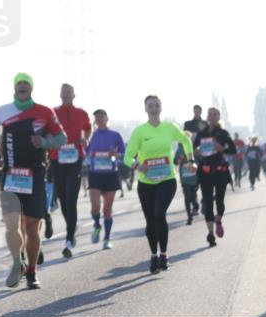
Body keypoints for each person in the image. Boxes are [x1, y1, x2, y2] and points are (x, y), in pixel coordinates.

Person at [0, 74, 66, 289]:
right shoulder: (3, 111)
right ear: (14, 88)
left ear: (31, 88)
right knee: (12, 224)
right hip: (11, 175)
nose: (22, 87)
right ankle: (17, 262)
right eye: (19, 84)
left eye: (26, 84)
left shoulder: (44, 112)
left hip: (36, 176)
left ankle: (32, 271)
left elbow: (62, 138)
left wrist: (44, 141)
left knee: (32, 228)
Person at [124, 95, 193, 274]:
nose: (154, 109)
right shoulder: (140, 132)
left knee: (159, 214)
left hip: (167, 180)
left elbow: (185, 140)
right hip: (146, 183)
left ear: (161, 108)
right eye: (150, 106)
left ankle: (164, 254)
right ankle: (154, 255)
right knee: (150, 221)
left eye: (156, 106)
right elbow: (127, 156)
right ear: (145, 109)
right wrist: (138, 165)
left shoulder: (169, 128)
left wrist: (190, 160)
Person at [51, 84, 92, 256]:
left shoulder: (81, 113)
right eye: (64, 92)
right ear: (60, 95)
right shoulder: (52, 112)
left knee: (71, 198)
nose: (67, 95)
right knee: (62, 198)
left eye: (69, 92)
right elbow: (46, 130)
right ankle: (71, 227)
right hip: (56, 159)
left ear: (74, 95)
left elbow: (88, 128)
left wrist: (85, 139)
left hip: (75, 159)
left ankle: (69, 238)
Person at [194, 107, 236, 248]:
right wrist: (197, 151)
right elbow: (194, 149)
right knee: (207, 202)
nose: (212, 116)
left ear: (219, 117)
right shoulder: (202, 134)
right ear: (207, 117)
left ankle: (218, 220)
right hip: (205, 171)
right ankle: (210, 234)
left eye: (215, 114)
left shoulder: (223, 134)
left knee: (219, 201)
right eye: (210, 114)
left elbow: (233, 150)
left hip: (220, 172)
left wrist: (221, 148)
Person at [85, 109, 125, 251]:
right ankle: (96, 225)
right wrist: (86, 153)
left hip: (110, 175)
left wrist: (116, 155)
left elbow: (124, 153)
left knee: (107, 209)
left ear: (107, 118)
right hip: (95, 174)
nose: (100, 119)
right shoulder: (92, 136)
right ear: (95, 120)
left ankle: (107, 238)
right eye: (97, 117)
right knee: (95, 207)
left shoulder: (115, 135)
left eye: (102, 116)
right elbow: (86, 153)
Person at [174, 132, 199, 226]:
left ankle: (196, 205)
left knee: (193, 196)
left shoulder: (193, 148)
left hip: (194, 176)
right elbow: (175, 162)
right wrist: (178, 160)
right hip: (184, 178)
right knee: (187, 197)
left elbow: (199, 159)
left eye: (188, 138)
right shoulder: (179, 149)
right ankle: (189, 217)